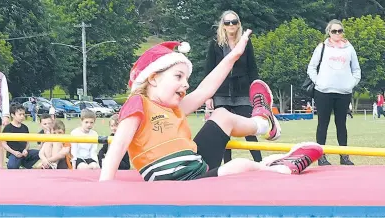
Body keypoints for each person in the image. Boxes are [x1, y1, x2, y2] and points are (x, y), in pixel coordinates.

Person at [99, 30, 323, 182]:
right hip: (176, 181)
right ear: (153, 78)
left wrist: (233, 56)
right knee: (239, 166)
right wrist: (104, 190)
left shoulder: (174, 109)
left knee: (222, 114)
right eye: (178, 76)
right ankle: (278, 167)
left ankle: (264, 123)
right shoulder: (138, 104)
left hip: (197, 168)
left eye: (186, 79)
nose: (185, 84)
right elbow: (118, 147)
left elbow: (205, 90)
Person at [204, 10, 262, 163]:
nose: (231, 25)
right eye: (227, 22)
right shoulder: (215, 44)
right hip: (221, 92)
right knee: (223, 131)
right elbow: (209, 70)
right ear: (222, 25)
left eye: (234, 22)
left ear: (238, 25)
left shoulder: (245, 42)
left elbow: (252, 68)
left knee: (249, 129)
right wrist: (208, 95)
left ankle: (259, 162)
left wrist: (256, 90)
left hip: (242, 92)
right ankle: (226, 165)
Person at [307, 19, 361, 166]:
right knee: (323, 123)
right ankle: (321, 156)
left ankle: (344, 156)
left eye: (340, 31)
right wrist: (319, 82)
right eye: (334, 31)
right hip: (324, 92)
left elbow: (356, 70)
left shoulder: (349, 49)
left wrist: (350, 83)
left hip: (343, 92)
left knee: (341, 124)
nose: (337, 34)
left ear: (343, 32)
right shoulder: (322, 47)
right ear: (329, 33)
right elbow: (311, 67)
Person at [1, 104, 40, 169]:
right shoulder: (8, 128)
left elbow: (27, 142)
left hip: (24, 153)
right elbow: (3, 143)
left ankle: (25, 164)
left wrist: (25, 150)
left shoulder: (25, 127)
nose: (22, 116)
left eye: (23, 114)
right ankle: (13, 162)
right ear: (12, 115)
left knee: (40, 153)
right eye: (20, 114)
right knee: (12, 166)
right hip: (14, 153)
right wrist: (14, 152)